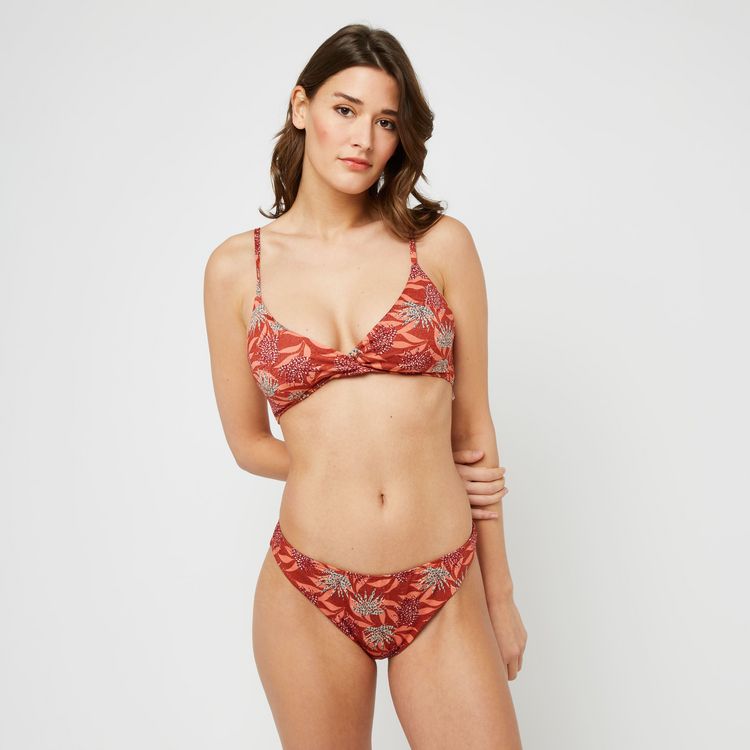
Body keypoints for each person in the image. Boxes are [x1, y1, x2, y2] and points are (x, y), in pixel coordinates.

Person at [204, 23, 525, 749]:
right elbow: (249, 442)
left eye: (385, 121)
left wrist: (500, 595)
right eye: (345, 110)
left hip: (443, 582)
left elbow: (474, 434)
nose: (364, 138)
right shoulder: (235, 270)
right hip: (308, 589)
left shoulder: (439, 246)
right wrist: (344, 466)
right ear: (301, 107)